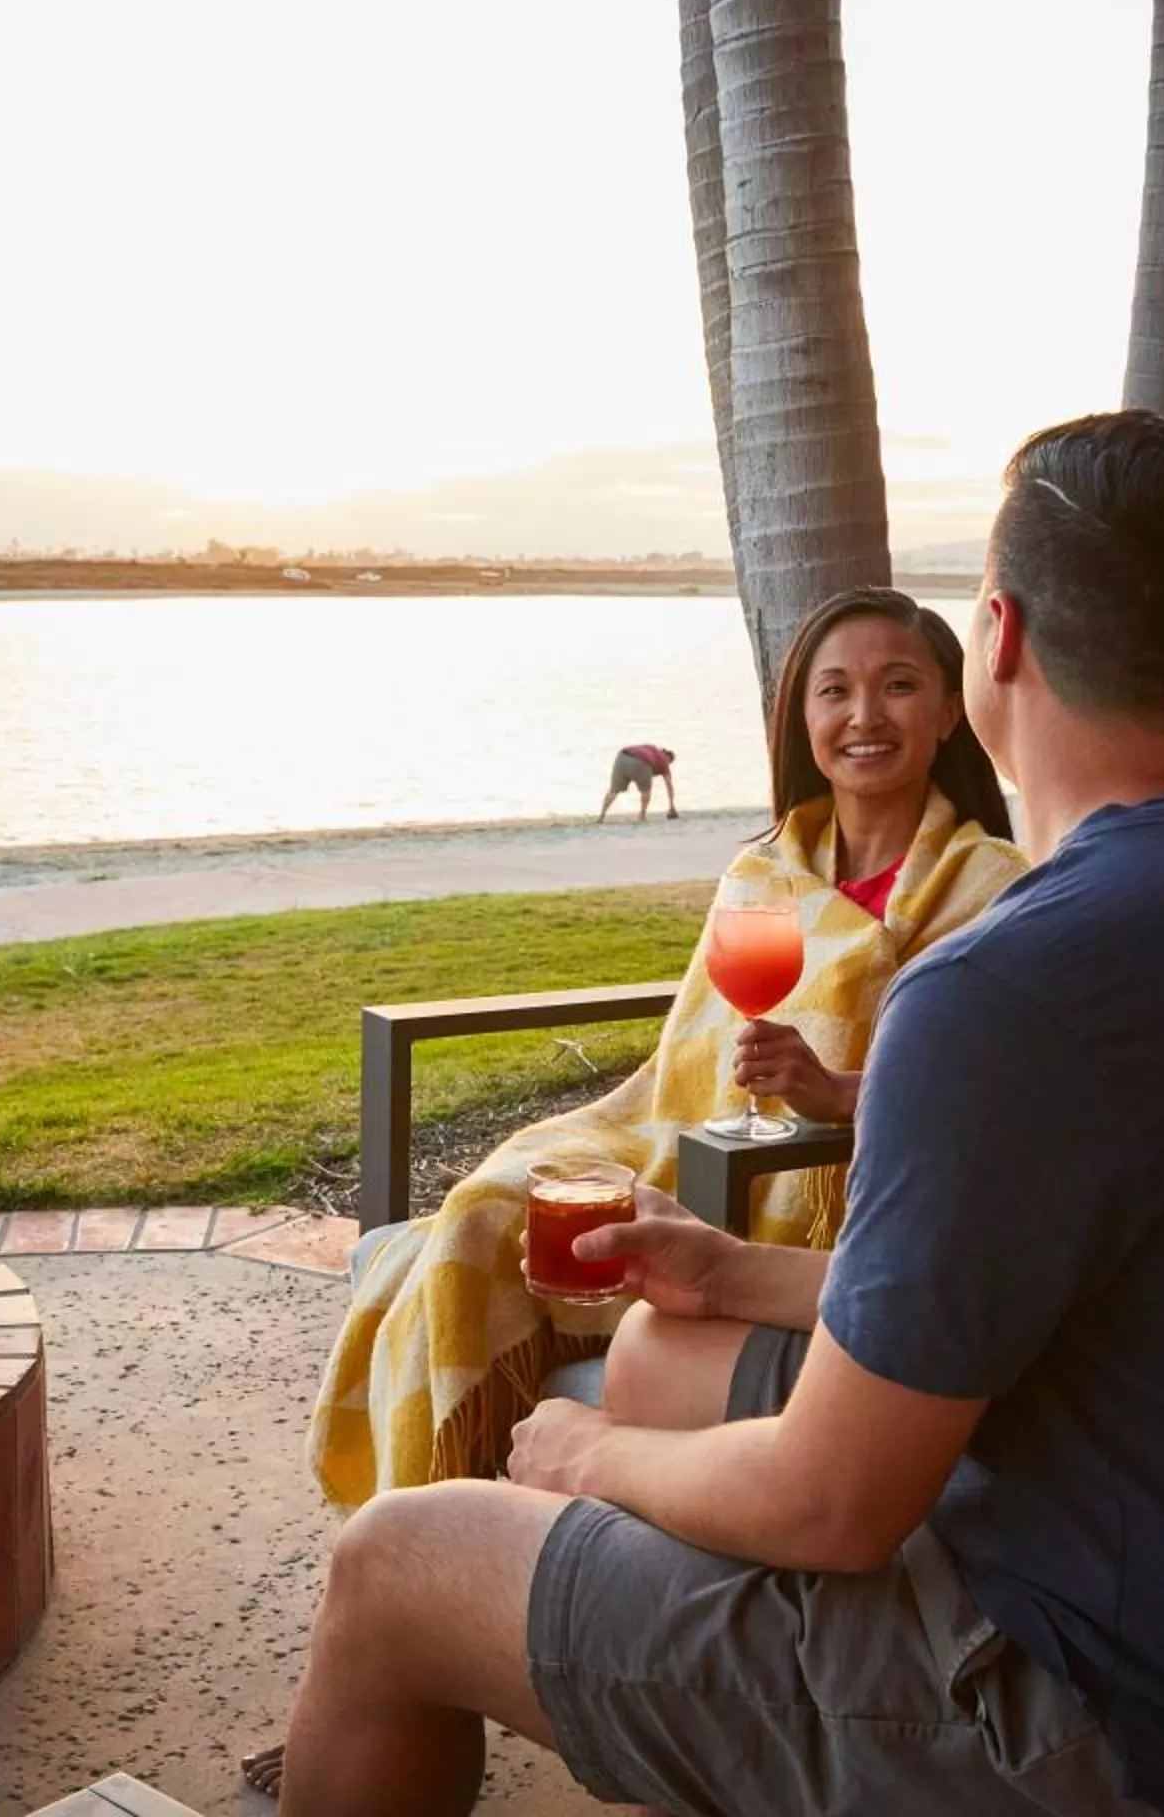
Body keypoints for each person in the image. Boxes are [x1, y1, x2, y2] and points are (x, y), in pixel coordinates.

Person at [267, 413, 1164, 1817]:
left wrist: (584, 1459)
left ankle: (714, 1685)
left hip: (1108, 1725)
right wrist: (733, 1269)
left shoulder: (1009, 978)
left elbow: (836, 1508)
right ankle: (699, 1685)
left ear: (996, 644)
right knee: (663, 1345)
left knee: (400, 1563)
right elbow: (1068, 1292)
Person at [306, 589, 1021, 1512]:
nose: (863, 716)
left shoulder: (992, 887)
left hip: (819, 1192)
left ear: (950, 709)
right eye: (833, 690)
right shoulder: (764, 868)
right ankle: (431, 1515)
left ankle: (454, 1535)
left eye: (898, 686)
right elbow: (692, 1046)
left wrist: (838, 1087)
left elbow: (977, 1090)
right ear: (801, 715)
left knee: (511, 1219)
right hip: (679, 1134)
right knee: (485, 1210)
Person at [597, 741, 678, 820]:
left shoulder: (651, 748)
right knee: (646, 791)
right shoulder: (663, 761)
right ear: (668, 757)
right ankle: (642, 815)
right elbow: (669, 786)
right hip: (641, 761)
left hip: (622, 756)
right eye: (670, 762)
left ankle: (601, 815)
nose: (668, 764)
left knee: (613, 790)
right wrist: (671, 805)